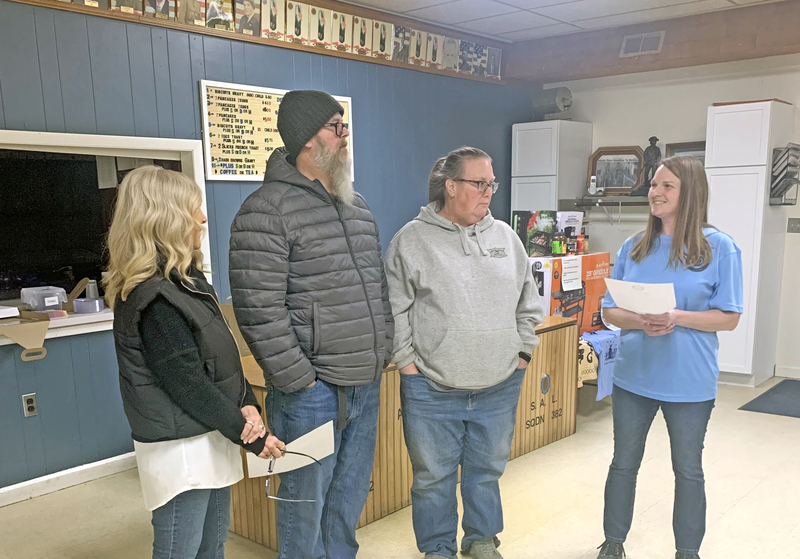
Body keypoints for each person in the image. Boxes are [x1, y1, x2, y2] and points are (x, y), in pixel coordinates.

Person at [229, 90, 394, 559]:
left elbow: (377, 289)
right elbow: (259, 310)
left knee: (348, 498)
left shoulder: (357, 207)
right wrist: (300, 380)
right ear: (306, 139)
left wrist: (382, 352)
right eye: (335, 127)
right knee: (304, 506)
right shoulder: (265, 210)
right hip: (312, 391)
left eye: (346, 127)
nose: (346, 137)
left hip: (364, 379)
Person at [105, 166, 286, 559]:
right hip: (180, 454)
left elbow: (222, 358)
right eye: (193, 210)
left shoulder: (188, 283)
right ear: (163, 219)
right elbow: (188, 384)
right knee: (179, 552)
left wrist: (247, 403)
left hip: (211, 437)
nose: (203, 219)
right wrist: (252, 437)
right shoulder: (154, 300)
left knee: (212, 546)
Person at [384, 147, 544, 559]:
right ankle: (437, 549)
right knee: (433, 478)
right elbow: (393, 309)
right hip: (431, 388)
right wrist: (407, 364)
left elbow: (529, 300)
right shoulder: (411, 240)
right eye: (479, 183)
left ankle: (481, 541)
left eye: (492, 183)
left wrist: (523, 352)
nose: (488, 192)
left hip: (499, 383)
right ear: (451, 186)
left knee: (486, 473)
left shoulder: (506, 238)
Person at [595, 156, 743, 559]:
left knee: (688, 471)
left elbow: (728, 318)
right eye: (653, 185)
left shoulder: (720, 248)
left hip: (689, 382)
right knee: (623, 464)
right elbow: (609, 310)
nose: (654, 193)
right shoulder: (634, 247)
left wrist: (677, 317)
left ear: (689, 193)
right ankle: (613, 542)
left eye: (666, 187)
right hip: (634, 377)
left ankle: (687, 551)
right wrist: (643, 322)